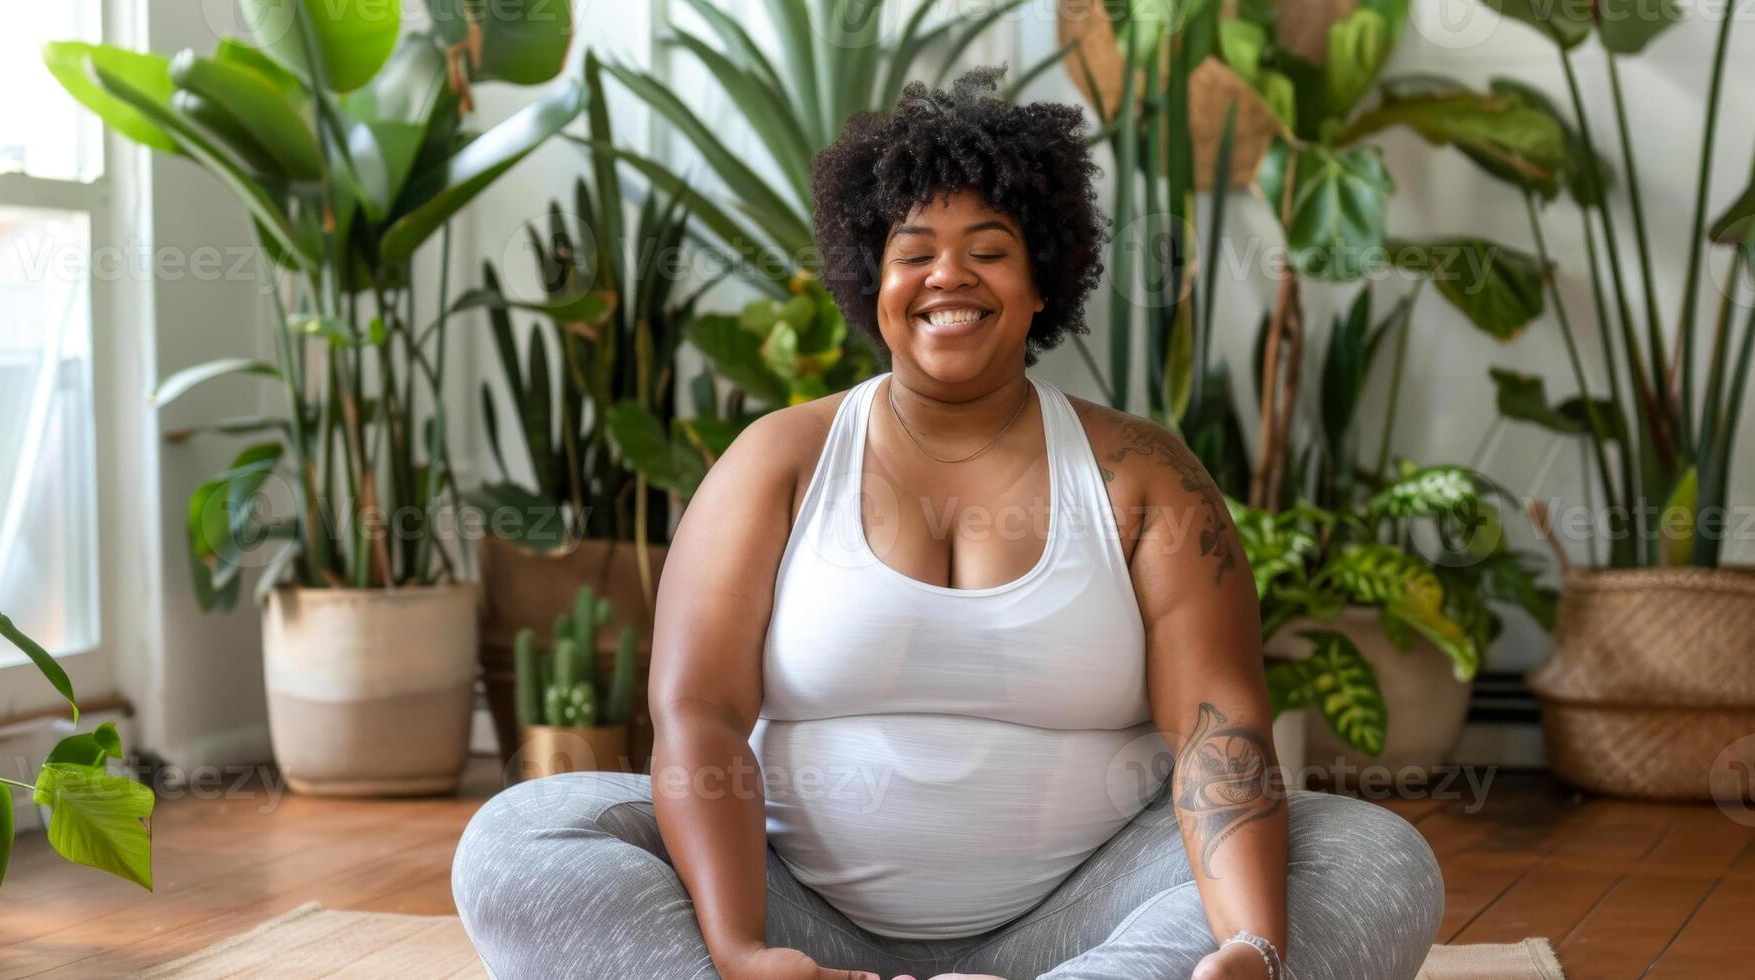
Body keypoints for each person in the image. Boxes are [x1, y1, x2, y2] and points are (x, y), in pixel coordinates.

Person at [452, 65, 1442, 980]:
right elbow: (697, 714)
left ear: (1043, 278)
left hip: (1082, 913)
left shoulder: (1144, 476)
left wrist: (1251, 942)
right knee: (521, 838)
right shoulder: (778, 462)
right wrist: (742, 946)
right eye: (912, 252)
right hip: (801, 913)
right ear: (868, 281)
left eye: (990, 251)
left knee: (1372, 859)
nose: (947, 278)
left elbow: (1216, 727)